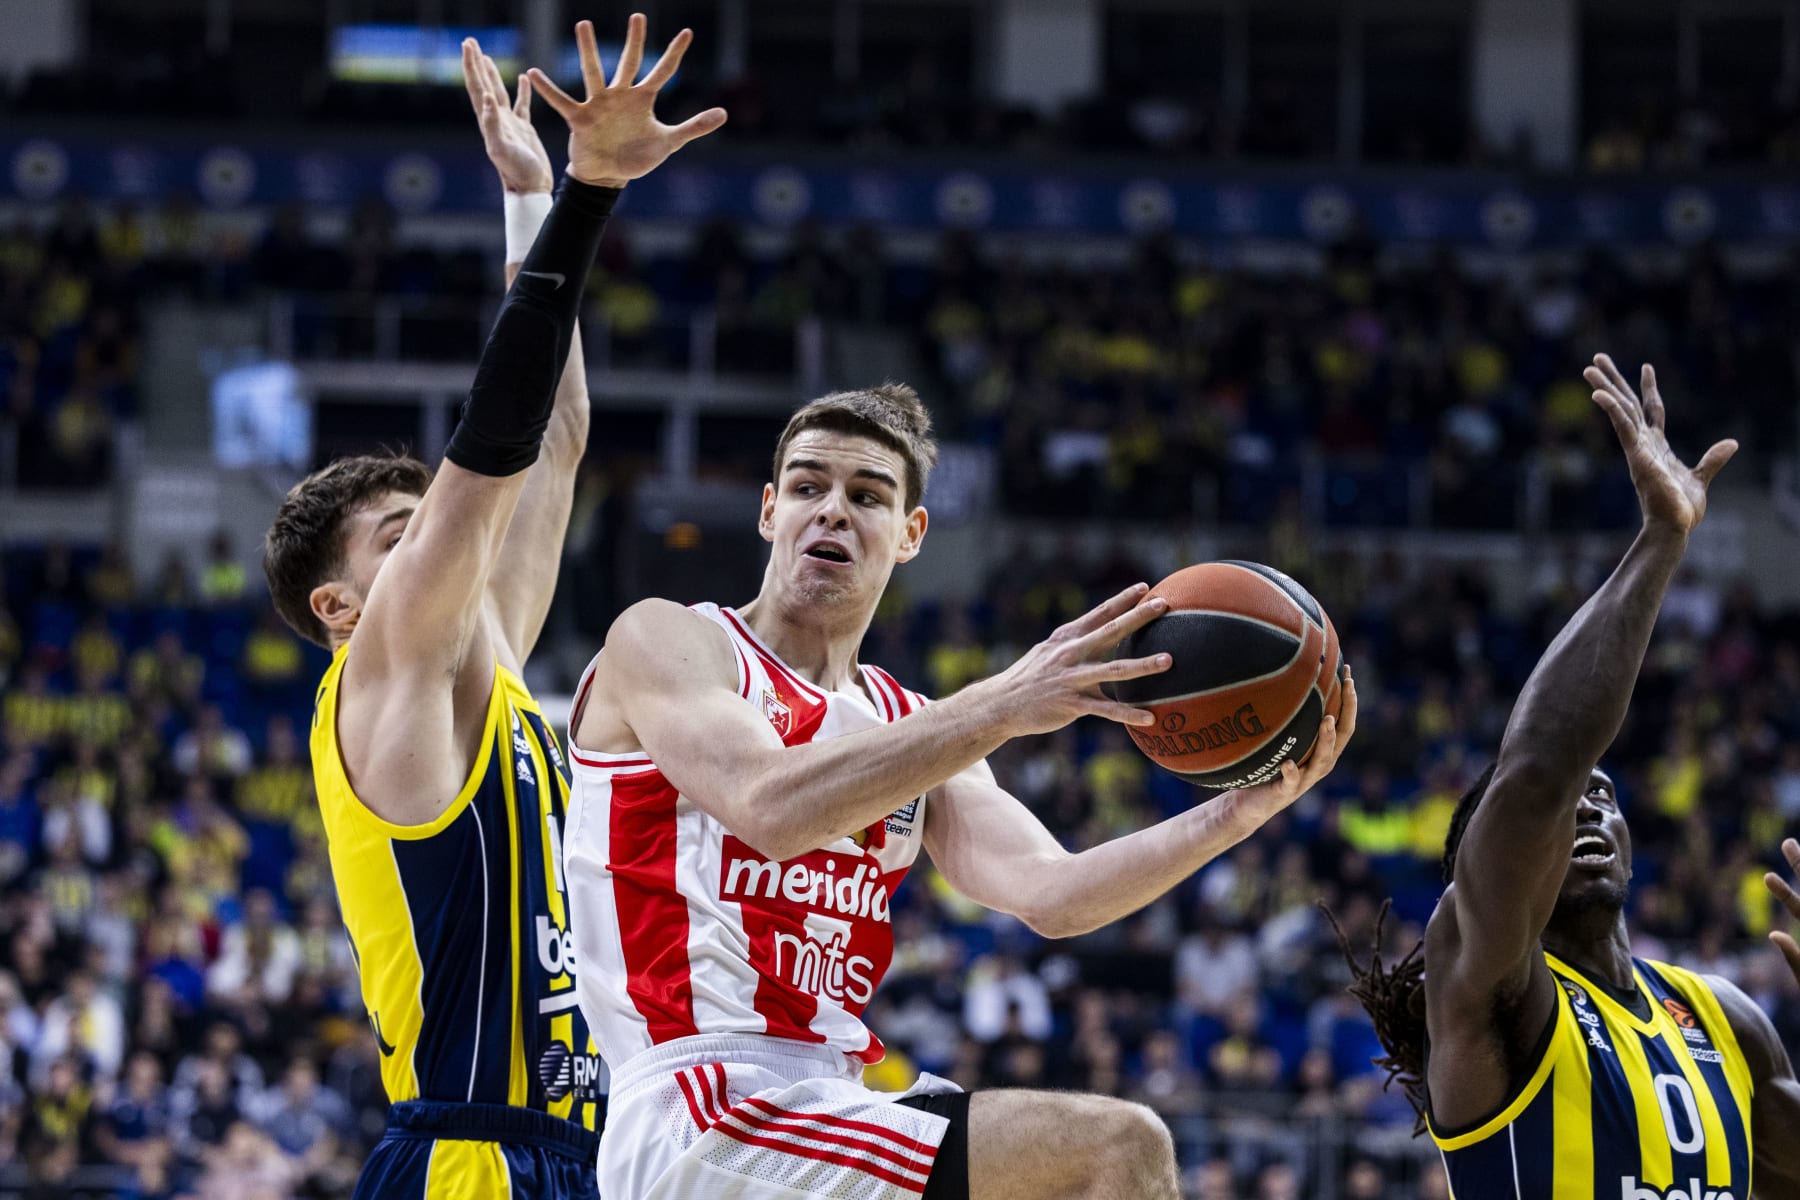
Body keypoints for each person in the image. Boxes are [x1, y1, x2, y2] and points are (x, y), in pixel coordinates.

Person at [566, 382, 1357, 1199]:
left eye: (866, 495)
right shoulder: (668, 639)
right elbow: (770, 806)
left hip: (827, 1100)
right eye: (807, 487)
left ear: (910, 535)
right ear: (770, 512)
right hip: (700, 1108)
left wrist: (1237, 811)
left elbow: (1056, 895)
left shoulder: (908, 721)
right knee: (1118, 1150)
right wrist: (1005, 701)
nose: (831, 510)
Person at [259, 16, 725, 1197]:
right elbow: (499, 441)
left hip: (577, 1153)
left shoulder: (492, 666)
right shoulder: (385, 679)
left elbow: (554, 444)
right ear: (340, 605)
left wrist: (528, 203)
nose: (442, 546)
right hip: (466, 1156)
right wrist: (589, 197)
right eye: (401, 537)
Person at [1334, 356, 1800, 1197]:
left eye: (1607, 798)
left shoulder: (1726, 1020)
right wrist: (1662, 541)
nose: (1585, 805)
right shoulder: (1492, 989)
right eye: (1562, 809)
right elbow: (1542, 770)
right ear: (1488, 864)